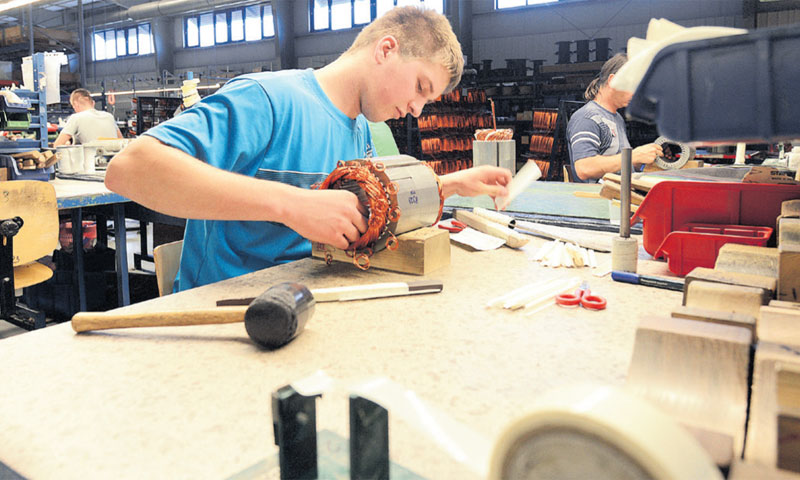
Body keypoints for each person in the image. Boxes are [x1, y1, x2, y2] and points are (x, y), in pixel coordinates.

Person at [105, 6, 512, 292]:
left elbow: (368, 207)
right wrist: (293, 205)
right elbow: (130, 168)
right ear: (386, 49)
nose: (417, 110)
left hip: (311, 299)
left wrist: (448, 185)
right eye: (420, 87)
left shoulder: (360, 129)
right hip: (227, 313)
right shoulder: (267, 100)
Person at [566, 53, 662, 182]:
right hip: (598, 194)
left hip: (620, 193)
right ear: (612, 81)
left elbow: (616, 163)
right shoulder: (587, 118)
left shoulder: (616, 118)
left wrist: (642, 159)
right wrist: (633, 156)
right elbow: (584, 168)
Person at [53, 88, 122, 146]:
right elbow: (121, 141)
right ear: (93, 103)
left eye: (74, 107)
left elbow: (57, 145)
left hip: (92, 157)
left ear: (76, 105)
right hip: (115, 157)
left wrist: (67, 144)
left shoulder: (76, 117)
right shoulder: (109, 116)